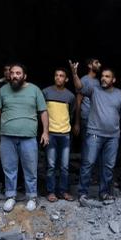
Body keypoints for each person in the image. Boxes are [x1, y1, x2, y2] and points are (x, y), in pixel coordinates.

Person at [70, 61, 121, 204]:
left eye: (107, 76)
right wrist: (74, 74)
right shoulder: (94, 90)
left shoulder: (119, 95)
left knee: (108, 166)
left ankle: (104, 193)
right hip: (94, 134)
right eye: (102, 76)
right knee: (88, 163)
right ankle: (82, 194)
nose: (103, 78)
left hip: (113, 136)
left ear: (113, 80)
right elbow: (79, 87)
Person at [0, 63, 48, 212]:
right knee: (9, 168)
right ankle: (10, 196)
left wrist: (45, 132)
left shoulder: (34, 90)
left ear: (24, 76)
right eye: (13, 73)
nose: (14, 75)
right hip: (7, 137)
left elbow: (43, 112)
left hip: (28, 137)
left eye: (18, 73)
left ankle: (32, 197)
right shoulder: (3, 90)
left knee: (30, 168)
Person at [42, 68, 76, 202]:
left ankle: (63, 191)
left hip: (65, 134)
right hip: (50, 133)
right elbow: (41, 112)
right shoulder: (45, 92)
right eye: (56, 75)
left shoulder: (70, 96)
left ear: (66, 79)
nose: (58, 78)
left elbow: (71, 113)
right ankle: (51, 192)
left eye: (61, 76)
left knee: (65, 166)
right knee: (51, 165)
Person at [75, 58, 102, 143]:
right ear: (90, 65)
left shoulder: (98, 81)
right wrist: (77, 123)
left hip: (96, 119)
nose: (99, 64)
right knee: (87, 145)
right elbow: (78, 101)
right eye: (96, 63)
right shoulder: (84, 80)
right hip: (86, 118)